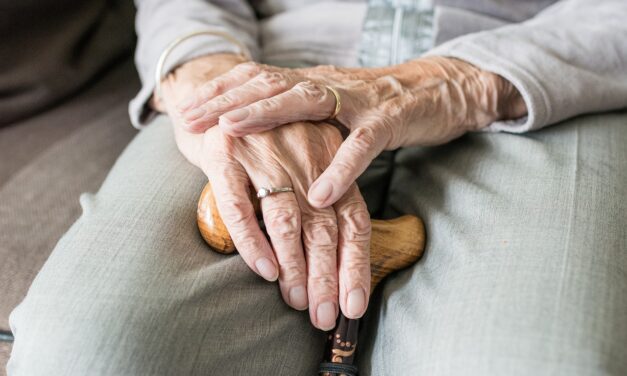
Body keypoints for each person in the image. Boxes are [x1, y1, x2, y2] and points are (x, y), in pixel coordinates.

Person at [8, 0, 627, 375]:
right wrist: (214, 78)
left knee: (543, 362)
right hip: (267, 67)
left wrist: (455, 81)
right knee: (91, 352)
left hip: (535, 77)